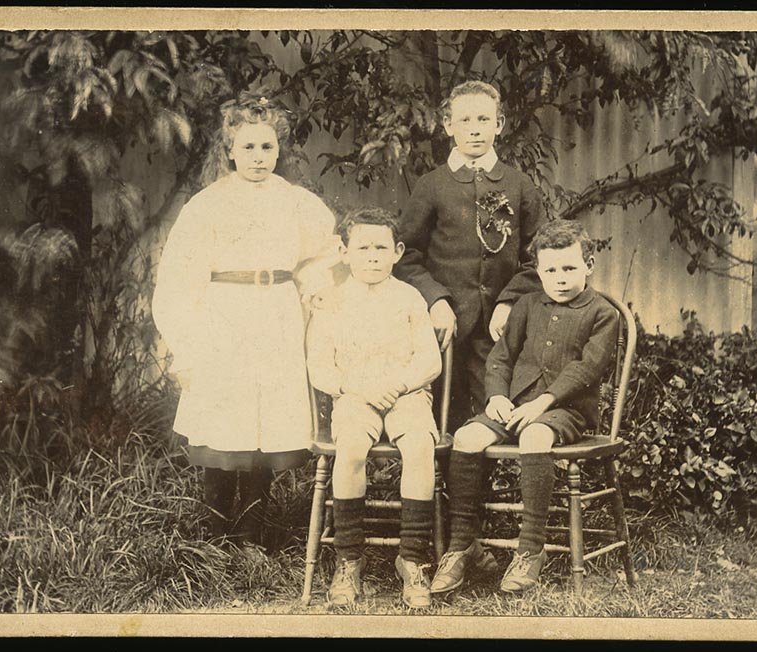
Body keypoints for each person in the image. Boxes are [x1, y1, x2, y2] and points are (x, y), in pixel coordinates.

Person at [152, 91, 339, 553]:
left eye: (268, 147)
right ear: (230, 149)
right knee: (223, 425)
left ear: (280, 150)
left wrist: (312, 282)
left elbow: (324, 253)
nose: (259, 157)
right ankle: (215, 537)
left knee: (264, 430)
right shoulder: (207, 205)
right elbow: (179, 277)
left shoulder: (297, 203)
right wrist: (186, 346)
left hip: (276, 315)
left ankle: (253, 536)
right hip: (224, 319)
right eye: (249, 147)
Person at [429, 219, 619, 594]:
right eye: (550, 270)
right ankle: (463, 543)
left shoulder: (602, 313)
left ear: (589, 265)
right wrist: (496, 396)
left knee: (534, 435)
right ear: (538, 272)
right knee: (467, 436)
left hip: (567, 410)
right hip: (514, 405)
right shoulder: (527, 305)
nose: (560, 278)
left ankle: (531, 548)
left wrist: (545, 402)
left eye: (569, 268)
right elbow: (500, 358)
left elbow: (588, 368)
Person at [306, 207, 442, 609]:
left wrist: (400, 384)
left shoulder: (409, 297)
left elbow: (430, 361)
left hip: (406, 395)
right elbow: (319, 365)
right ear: (344, 252)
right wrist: (356, 386)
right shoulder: (331, 301)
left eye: (381, 247)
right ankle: (349, 558)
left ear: (398, 251)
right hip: (355, 396)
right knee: (349, 449)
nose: (372, 256)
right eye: (362, 247)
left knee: (419, 447)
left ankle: (412, 559)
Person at [394, 80, 548, 431]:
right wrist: (435, 301)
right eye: (464, 120)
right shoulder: (432, 185)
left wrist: (509, 302)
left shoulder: (519, 185)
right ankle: (444, 487)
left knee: (496, 417)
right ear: (448, 125)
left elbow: (540, 256)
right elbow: (406, 256)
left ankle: (479, 488)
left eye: (483, 119)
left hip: (500, 328)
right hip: (444, 328)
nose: (475, 129)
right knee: (444, 418)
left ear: (499, 124)